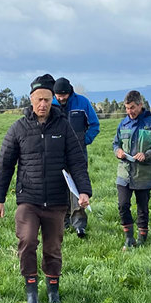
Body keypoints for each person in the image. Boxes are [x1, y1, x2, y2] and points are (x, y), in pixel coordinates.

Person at [0, 74, 92, 303]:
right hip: (29, 199)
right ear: (31, 99)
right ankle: (31, 290)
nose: (43, 104)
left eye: (47, 100)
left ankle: (53, 291)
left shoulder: (64, 127)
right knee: (27, 241)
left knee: (53, 248)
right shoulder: (18, 128)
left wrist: (84, 191)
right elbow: (5, 164)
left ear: (52, 100)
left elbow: (77, 161)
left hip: (57, 201)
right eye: (39, 99)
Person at [113, 91, 151, 248]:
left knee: (142, 207)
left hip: (144, 174)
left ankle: (142, 238)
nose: (130, 111)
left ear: (140, 105)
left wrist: (147, 154)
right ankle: (128, 238)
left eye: (133, 108)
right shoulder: (123, 124)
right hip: (124, 173)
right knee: (123, 205)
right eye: (127, 108)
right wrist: (118, 151)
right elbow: (115, 143)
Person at [53, 77, 100, 237]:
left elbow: (95, 125)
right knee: (59, 188)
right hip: (57, 154)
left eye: (63, 95)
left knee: (78, 188)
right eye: (57, 95)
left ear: (69, 92)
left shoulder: (82, 103)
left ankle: (79, 224)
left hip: (78, 154)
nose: (60, 99)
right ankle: (62, 223)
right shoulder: (51, 105)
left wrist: (83, 141)